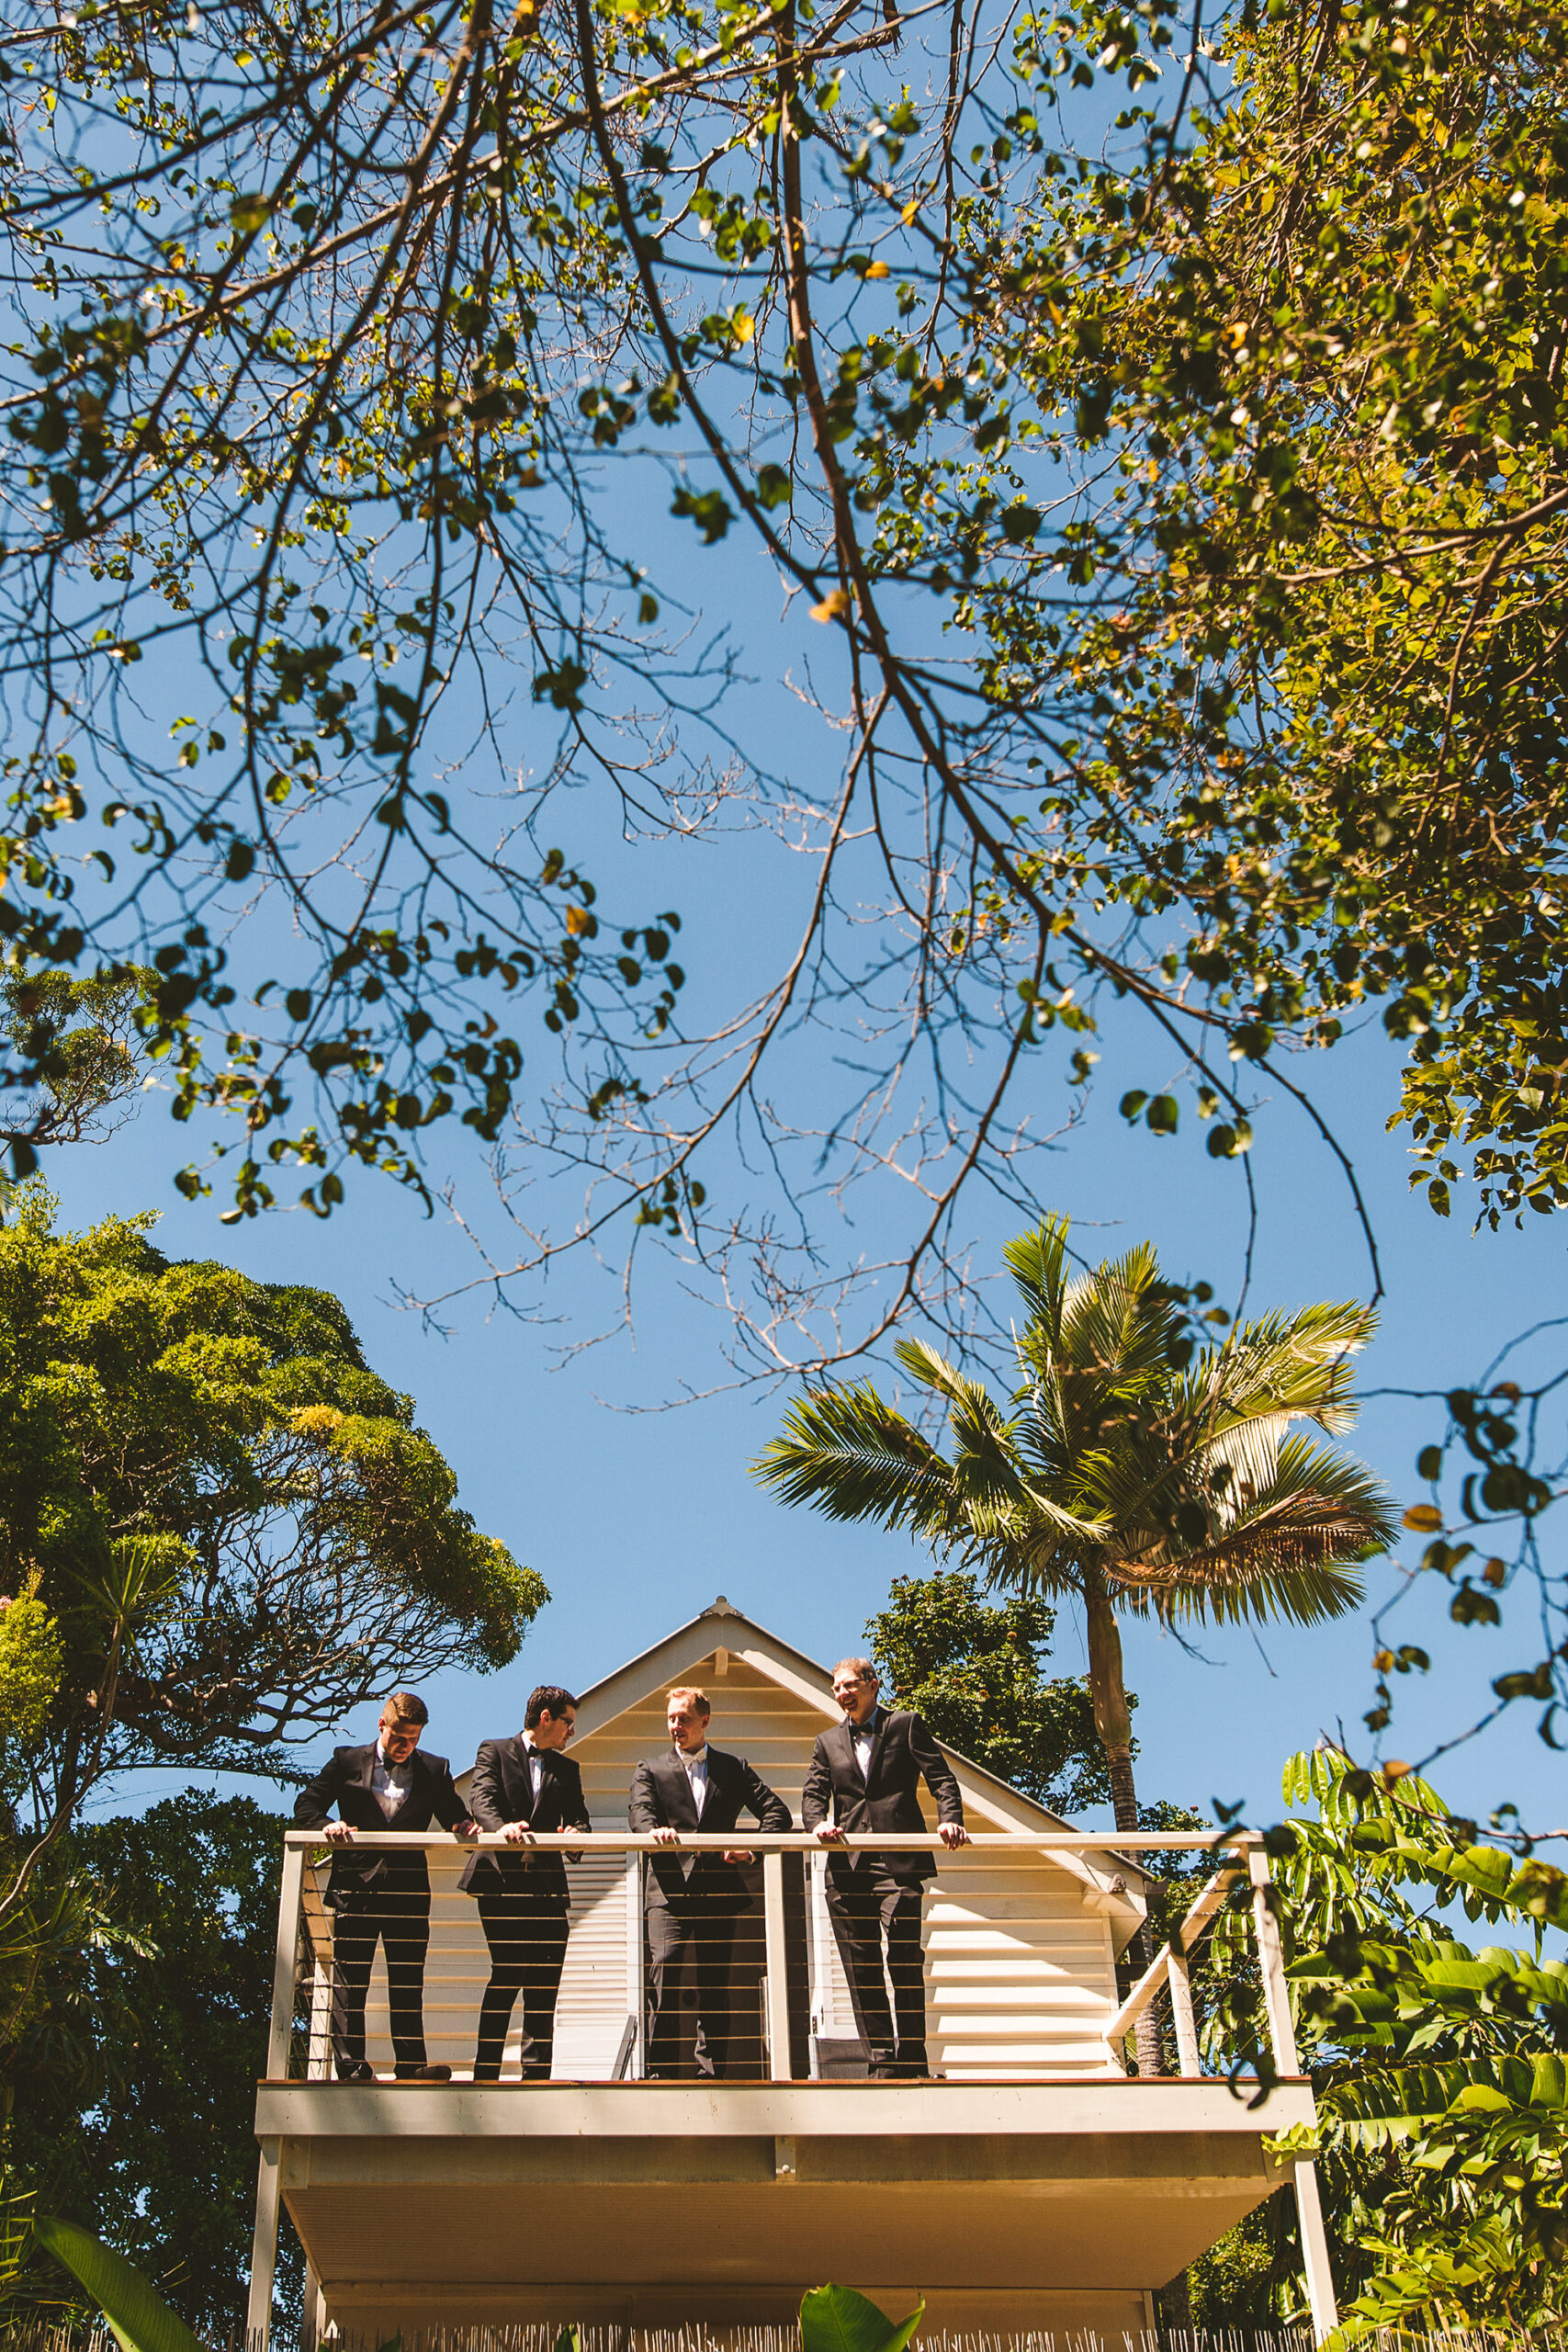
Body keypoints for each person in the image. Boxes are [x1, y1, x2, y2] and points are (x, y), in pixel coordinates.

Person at [295, 1690, 479, 2082]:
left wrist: (463, 1825)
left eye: (413, 1738)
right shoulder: (346, 1761)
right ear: (382, 1725)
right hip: (354, 1889)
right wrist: (327, 1825)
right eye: (399, 1736)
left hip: (408, 1892)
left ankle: (411, 2066)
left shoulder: (435, 1768)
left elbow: (453, 1814)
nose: (405, 1745)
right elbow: (307, 1806)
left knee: (408, 1981)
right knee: (350, 1984)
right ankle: (352, 2068)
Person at [802, 1656, 967, 2078]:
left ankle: (913, 2061)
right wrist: (817, 1821)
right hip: (847, 1868)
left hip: (901, 1864)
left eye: (850, 1685)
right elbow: (813, 1794)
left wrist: (950, 1819)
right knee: (862, 1966)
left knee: (904, 1956)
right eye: (836, 1688)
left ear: (873, 1684)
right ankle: (881, 2063)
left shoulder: (905, 1724)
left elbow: (941, 1779)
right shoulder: (826, 1742)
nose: (842, 1693)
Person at [629, 1686, 792, 2080]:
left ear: (705, 1720)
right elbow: (640, 1814)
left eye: (683, 1718)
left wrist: (749, 1850)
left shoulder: (732, 1767)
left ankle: (712, 2073)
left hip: (719, 1889)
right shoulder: (649, 1768)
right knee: (665, 1972)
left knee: (716, 1984)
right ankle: (661, 2074)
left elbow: (778, 1813)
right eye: (670, 1718)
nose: (675, 1726)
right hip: (669, 1891)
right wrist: (655, 1832)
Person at [460, 1684, 592, 2081]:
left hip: (548, 1887)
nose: (572, 1732)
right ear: (546, 1717)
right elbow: (481, 1799)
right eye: (567, 1722)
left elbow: (580, 1819)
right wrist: (502, 1829)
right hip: (501, 1880)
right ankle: (486, 2075)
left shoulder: (568, 1770)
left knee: (545, 1982)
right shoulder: (494, 1751)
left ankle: (536, 2079)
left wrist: (576, 1836)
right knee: (509, 1970)